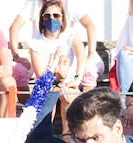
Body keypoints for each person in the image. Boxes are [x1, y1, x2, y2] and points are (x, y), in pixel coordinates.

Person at [25, 0, 96, 136]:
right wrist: (59, 84)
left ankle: (68, 136)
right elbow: (41, 75)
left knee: (70, 95)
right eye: (47, 16)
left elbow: (81, 57)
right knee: (47, 95)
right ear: (42, 18)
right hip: (48, 84)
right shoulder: (35, 43)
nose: (52, 19)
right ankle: (43, 137)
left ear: (62, 17)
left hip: (68, 84)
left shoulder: (70, 35)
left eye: (56, 15)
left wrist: (75, 80)